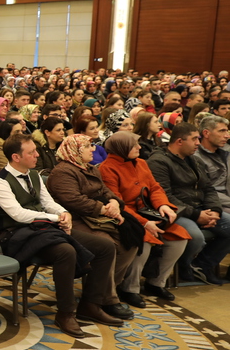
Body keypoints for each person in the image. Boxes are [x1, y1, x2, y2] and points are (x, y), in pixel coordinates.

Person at [0, 134, 124, 338]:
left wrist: (63, 214)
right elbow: (18, 214)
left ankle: (90, 304)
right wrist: (54, 218)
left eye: (36, 150)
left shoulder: (33, 175)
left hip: (44, 230)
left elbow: (48, 201)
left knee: (105, 246)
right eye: (31, 152)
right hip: (16, 235)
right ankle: (65, 313)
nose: (36, 154)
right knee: (65, 251)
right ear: (16, 157)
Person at [45, 134, 137, 319]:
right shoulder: (63, 172)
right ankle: (105, 299)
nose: (93, 149)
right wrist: (104, 209)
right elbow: (73, 201)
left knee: (131, 241)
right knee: (107, 244)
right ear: (75, 151)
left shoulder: (89, 168)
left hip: (94, 217)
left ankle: (104, 292)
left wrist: (114, 202)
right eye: (88, 146)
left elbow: (104, 190)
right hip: (74, 220)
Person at [99, 131, 190, 306]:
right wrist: (145, 223)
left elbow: (155, 188)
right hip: (125, 217)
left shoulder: (141, 163)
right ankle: (129, 288)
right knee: (143, 242)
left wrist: (163, 205)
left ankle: (156, 282)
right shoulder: (107, 168)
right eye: (134, 145)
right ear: (122, 147)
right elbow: (118, 203)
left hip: (147, 211)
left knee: (179, 238)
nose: (139, 147)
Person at [146, 121, 230, 284]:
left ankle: (201, 266)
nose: (198, 143)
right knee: (195, 236)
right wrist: (197, 214)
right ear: (179, 141)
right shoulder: (158, 161)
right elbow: (165, 195)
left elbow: (208, 188)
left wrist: (215, 210)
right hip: (175, 211)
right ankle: (184, 266)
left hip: (199, 208)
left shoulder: (194, 160)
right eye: (194, 139)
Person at [192, 115, 230, 214]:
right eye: (222, 131)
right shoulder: (196, 158)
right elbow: (205, 191)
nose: (227, 135)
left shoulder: (227, 152)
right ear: (206, 133)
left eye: (227, 131)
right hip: (214, 204)